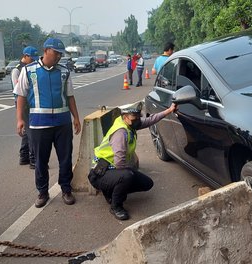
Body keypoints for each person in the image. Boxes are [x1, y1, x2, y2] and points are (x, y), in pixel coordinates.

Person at [14, 38, 81, 208]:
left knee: (65, 159)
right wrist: (20, 119)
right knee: (40, 160)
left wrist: (76, 118)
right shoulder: (29, 70)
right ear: (45, 50)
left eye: (60, 54)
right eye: (55, 53)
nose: (58, 56)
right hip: (38, 124)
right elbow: (21, 95)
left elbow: (70, 96)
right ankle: (42, 192)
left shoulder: (64, 71)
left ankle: (66, 189)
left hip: (62, 123)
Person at [88, 102, 177, 220]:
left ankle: (112, 191)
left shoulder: (130, 124)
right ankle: (116, 206)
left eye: (138, 116)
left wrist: (169, 110)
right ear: (125, 117)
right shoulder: (120, 132)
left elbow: (150, 120)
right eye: (134, 117)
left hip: (112, 171)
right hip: (100, 174)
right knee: (126, 176)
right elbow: (120, 164)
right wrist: (123, 187)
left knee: (147, 183)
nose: (138, 120)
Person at [12, 46, 39, 169]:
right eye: (32, 59)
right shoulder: (17, 70)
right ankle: (33, 160)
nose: (33, 61)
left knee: (27, 132)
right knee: (31, 132)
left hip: (31, 104)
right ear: (25, 56)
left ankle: (24, 157)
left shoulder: (32, 68)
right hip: (23, 104)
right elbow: (19, 91)